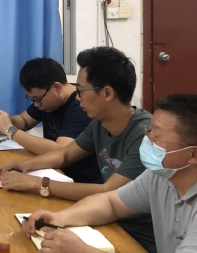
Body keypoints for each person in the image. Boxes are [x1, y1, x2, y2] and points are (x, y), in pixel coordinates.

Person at [0, 47, 155, 252]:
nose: (77, 98)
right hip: (105, 218)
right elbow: (65, 154)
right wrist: (23, 165)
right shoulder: (99, 123)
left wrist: (37, 183)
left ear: (107, 93)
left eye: (81, 90)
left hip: (137, 236)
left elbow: (108, 192)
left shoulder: (147, 135)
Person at [22, 94, 197, 253]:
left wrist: (83, 250)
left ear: (193, 154)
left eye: (157, 137)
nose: (147, 140)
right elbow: (111, 203)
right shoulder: (159, 177)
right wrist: (59, 218)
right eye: (149, 131)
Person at [0, 57, 102, 184]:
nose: (36, 104)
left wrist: (11, 131)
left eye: (37, 99)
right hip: (54, 172)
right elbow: (24, 120)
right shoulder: (47, 100)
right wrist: (6, 120)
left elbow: (61, 151)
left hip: (80, 181)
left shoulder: (81, 106)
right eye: (33, 99)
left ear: (57, 88)